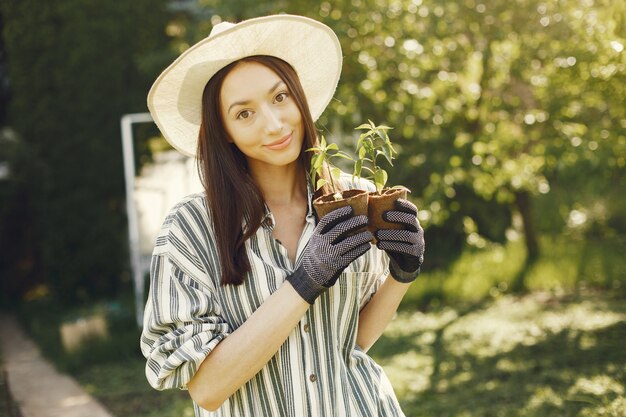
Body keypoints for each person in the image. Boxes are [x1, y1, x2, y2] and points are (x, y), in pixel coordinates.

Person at [140, 14, 425, 417]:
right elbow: (207, 388)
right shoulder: (191, 228)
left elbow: (351, 341)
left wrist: (402, 275)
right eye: (244, 113)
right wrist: (305, 281)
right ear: (223, 131)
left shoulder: (353, 198)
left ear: (298, 96)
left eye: (279, 97)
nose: (273, 125)